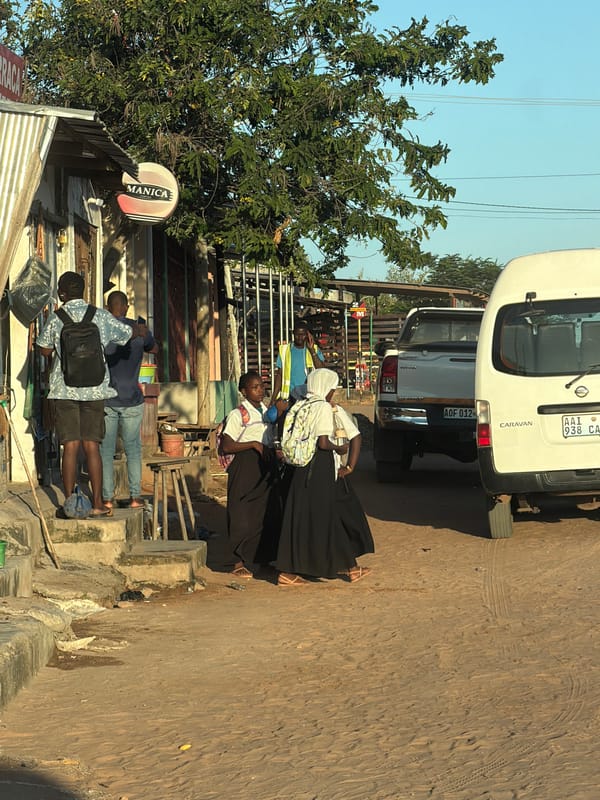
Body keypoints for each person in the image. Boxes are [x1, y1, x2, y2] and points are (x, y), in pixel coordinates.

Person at [37, 272, 146, 517]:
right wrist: (139, 330)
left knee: (70, 448)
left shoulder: (56, 319)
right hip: (96, 390)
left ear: (61, 293)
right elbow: (126, 334)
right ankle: (97, 504)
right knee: (92, 447)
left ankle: (69, 505)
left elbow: (44, 350)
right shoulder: (100, 315)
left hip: (64, 390)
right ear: (84, 291)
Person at [275, 368, 374, 586]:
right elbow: (322, 443)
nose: (333, 393)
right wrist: (340, 448)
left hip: (300, 466)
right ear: (325, 388)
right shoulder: (321, 407)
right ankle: (349, 567)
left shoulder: (301, 404)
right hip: (319, 466)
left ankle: (291, 570)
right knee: (326, 517)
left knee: (302, 516)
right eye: (332, 388)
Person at [220, 370, 282, 578]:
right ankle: (238, 561)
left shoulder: (266, 411)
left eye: (262, 386)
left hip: (265, 464)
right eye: (255, 387)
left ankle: (263, 559)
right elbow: (227, 445)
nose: (260, 391)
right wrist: (253, 444)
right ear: (243, 391)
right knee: (241, 513)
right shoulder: (238, 414)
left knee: (265, 512)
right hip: (245, 465)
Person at [99, 291, 158, 509]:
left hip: (107, 399)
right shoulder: (139, 330)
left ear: (108, 307)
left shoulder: (103, 329)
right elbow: (155, 348)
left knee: (106, 450)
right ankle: (135, 497)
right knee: (133, 448)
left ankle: (107, 498)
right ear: (125, 307)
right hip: (132, 398)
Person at [270, 319, 325, 407]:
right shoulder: (285, 350)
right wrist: (273, 398)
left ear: (307, 335)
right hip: (289, 398)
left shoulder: (314, 349)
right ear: (293, 334)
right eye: (297, 334)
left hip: (309, 397)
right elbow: (279, 375)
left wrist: (312, 351)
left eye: (302, 334)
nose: (300, 337)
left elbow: (322, 370)